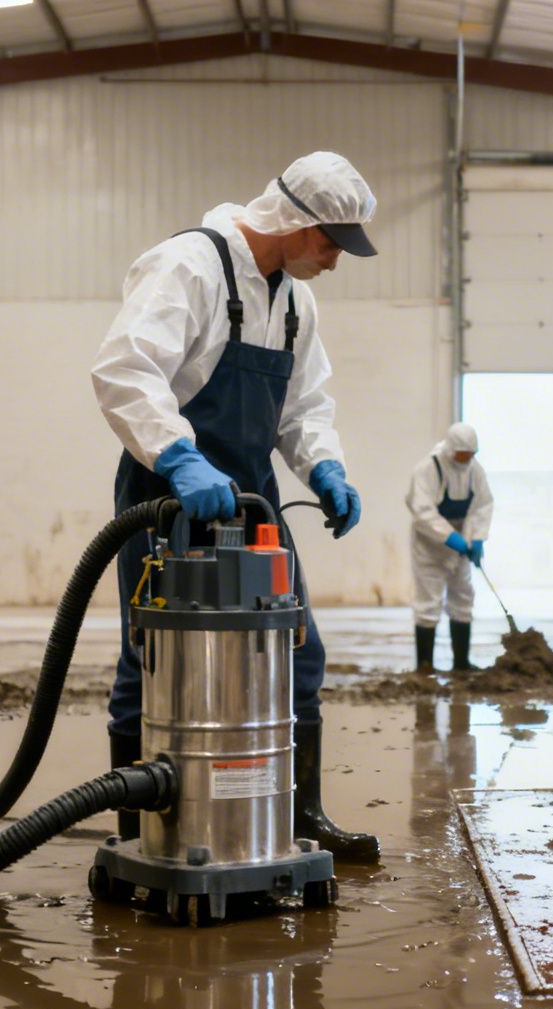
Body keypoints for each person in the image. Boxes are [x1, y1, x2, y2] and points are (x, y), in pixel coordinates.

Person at [90, 152, 381, 863]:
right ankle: (141, 831)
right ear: (295, 221)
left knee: (297, 649)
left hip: (251, 501)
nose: (335, 261)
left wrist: (325, 466)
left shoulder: (295, 300)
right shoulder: (189, 267)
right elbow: (126, 369)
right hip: (169, 497)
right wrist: (181, 457)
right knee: (150, 659)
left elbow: (304, 405)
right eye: (329, 243)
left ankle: (301, 813)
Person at [405, 422, 493, 672]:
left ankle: (462, 663)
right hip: (429, 545)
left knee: (463, 595)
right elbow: (422, 511)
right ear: (450, 450)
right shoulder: (427, 469)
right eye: (461, 455)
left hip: (461, 544)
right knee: (428, 601)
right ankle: (424, 665)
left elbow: (482, 506)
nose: (465, 459)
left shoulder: (475, 471)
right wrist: (449, 537)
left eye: (470, 455)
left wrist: (476, 539)